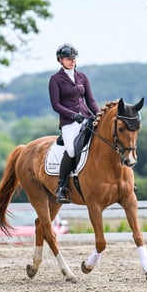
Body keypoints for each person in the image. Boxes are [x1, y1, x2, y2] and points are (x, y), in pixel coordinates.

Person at [49, 43, 100, 204]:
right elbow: (56, 105)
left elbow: (90, 100)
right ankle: (61, 187)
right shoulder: (55, 79)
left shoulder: (83, 77)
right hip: (69, 123)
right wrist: (72, 115)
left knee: (105, 142)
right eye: (68, 58)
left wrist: (99, 115)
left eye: (73, 58)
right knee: (71, 149)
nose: (72, 61)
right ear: (60, 60)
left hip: (86, 118)